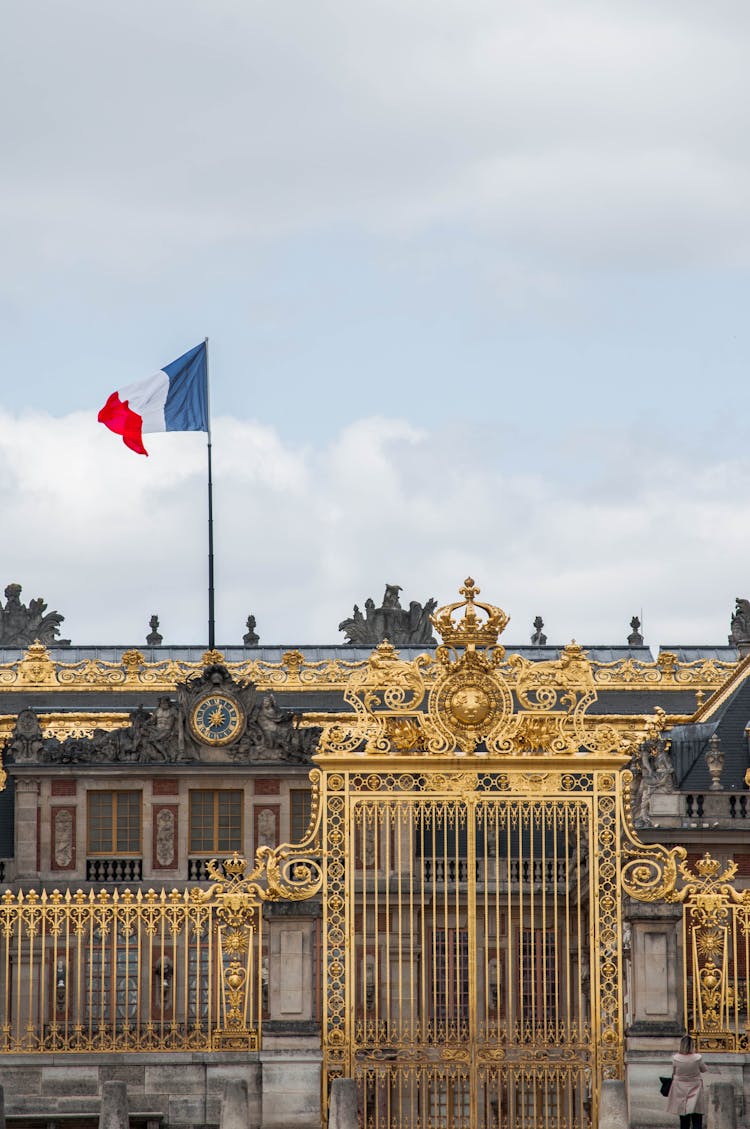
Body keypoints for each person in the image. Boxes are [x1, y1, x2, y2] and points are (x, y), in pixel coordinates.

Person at [666, 1035, 707, 1129]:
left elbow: (674, 1072)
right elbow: (704, 1069)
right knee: (697, 1118)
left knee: (684, 1119)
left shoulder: (675, 1058)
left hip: (680, 1089)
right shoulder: (697, 1058)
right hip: (695, 1088)